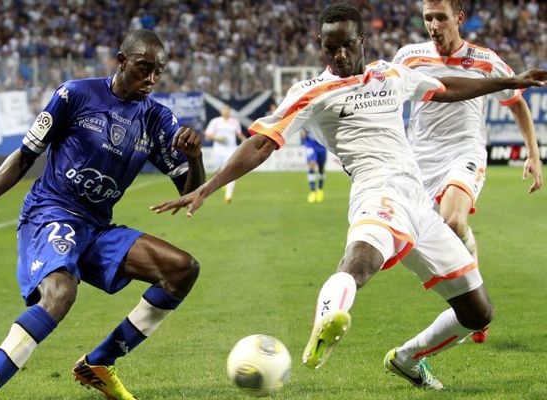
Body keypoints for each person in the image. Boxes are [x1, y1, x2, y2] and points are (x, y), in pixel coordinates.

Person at [151, 3, 546, 390]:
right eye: (329, 48)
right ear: (321, 46)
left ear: (362, 40)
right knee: (361, 260)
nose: (338, 56)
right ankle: (328, 319)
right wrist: (208, 186)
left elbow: (448, 88)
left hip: (419, 204)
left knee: (477, 312)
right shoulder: (311, 91)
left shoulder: (393, 73)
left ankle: (407, 359)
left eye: (346, 46)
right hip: (376, 190)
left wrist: (510, 83)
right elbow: (261, 144)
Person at [0, 29, 205, 400]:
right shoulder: (76, 95)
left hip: (96, 228)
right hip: (50, 212)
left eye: (157, 72)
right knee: (60, 292)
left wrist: (194, 157)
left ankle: (99, 363)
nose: (150, 79)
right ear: (121, 61)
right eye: (143, 68)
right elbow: (24, 155)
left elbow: (190, 192)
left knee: (182, 269)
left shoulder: (156, 119)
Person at [392, 0, 542, 344]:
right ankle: (473, 300)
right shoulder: (408, 57)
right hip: (419, 161)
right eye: (428, 18)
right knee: (421, 240)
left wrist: (533, 153)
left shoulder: (486, 61)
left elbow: (515, 99)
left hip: (464, 153)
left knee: (454, 221)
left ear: (458, 19)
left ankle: (473, 302)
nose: (433, 25)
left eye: (440, 18)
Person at [204, 104, 245, 203]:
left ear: (230, 111)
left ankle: (229, 194)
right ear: (221, 111)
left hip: (231, 150)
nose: (226, 111)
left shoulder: (235, 122)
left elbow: (239, 135)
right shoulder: (215, 122)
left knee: (231, 170)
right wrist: (218, 138)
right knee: (221, 172)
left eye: (228, 110)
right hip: (218, 150)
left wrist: (245, 141)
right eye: (224, 110)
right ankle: (225, 185)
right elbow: (207, 135)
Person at [302, 129, 327, 203]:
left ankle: (320, 189)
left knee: (321, 167)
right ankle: (312, 191)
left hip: (321, 144)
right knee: (312, 164)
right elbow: (303, 133)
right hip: (310, 144)